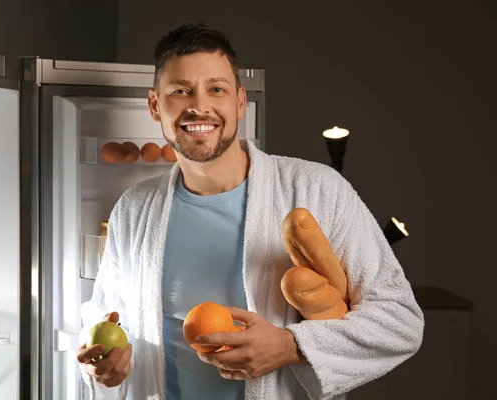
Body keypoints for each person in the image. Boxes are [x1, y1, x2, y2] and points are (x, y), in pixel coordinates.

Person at [77, 23, 424, 400]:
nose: (199, 105)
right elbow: (106, 316)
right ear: (155, 105)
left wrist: (287, 346)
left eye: (217, 89)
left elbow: (399, 321)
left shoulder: (317, 190)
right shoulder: (134, 208)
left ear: (240, 102)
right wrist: (102, 364)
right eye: (180, 91)